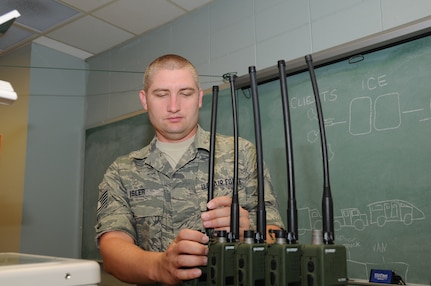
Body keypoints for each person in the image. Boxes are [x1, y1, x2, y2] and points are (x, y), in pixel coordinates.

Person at [95, 54, 284, 285]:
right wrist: (159, 266)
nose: (174, 106)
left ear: (200, 98)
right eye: (161, 94)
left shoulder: (242, 154)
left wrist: (251, 231)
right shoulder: (122, 172)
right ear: (144, 100)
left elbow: (276, 233)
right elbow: (112, 248)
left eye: (185, 93)